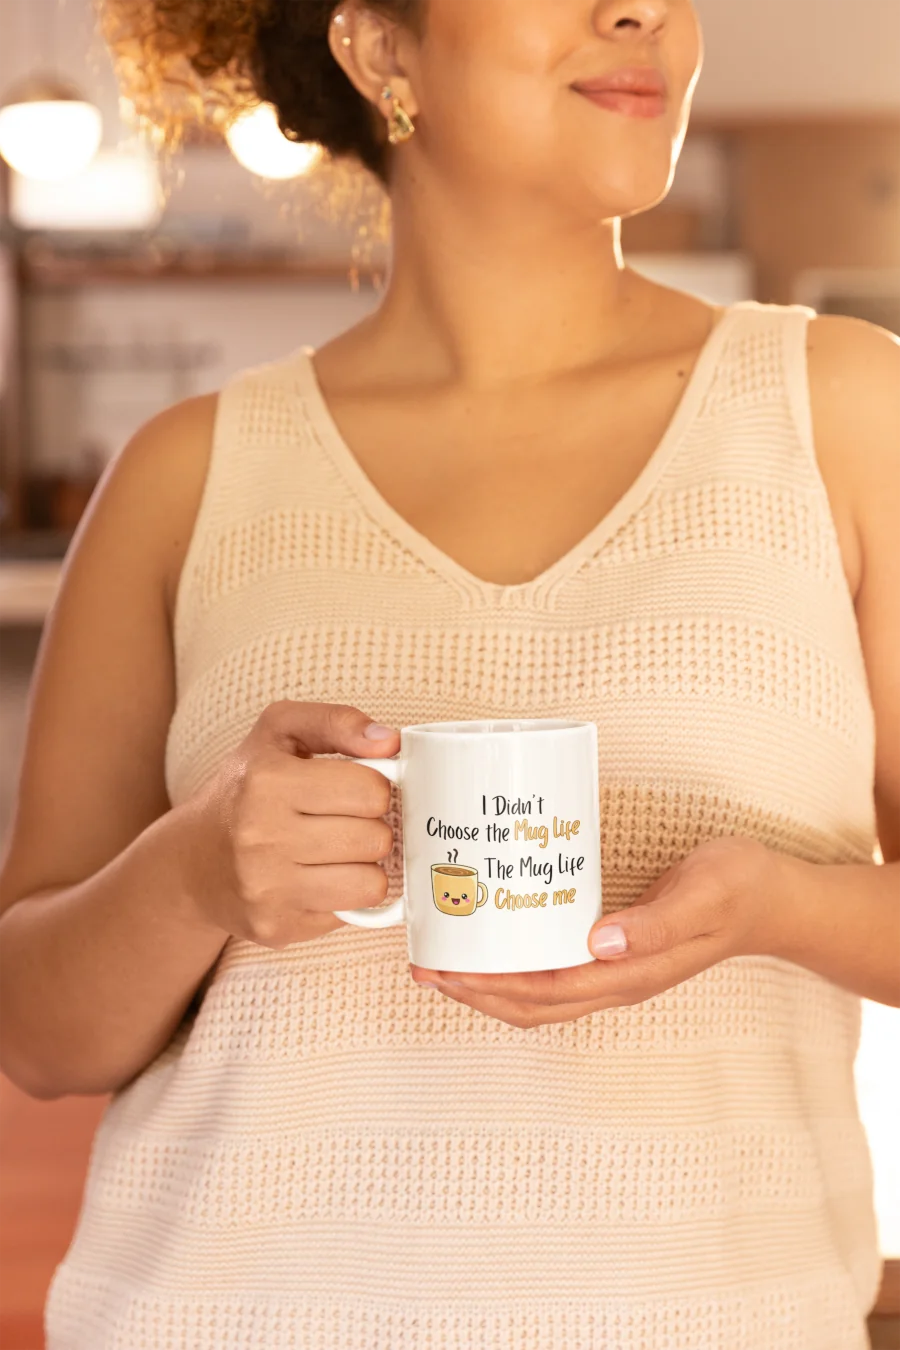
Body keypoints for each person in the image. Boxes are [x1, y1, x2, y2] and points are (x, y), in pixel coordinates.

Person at [0, 0, 898, 1346]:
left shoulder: (843, 410)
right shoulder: (185, 474)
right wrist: (195, 871)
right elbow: (38, 1029)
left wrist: (779, 908)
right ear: (379, 50)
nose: (640, 11)